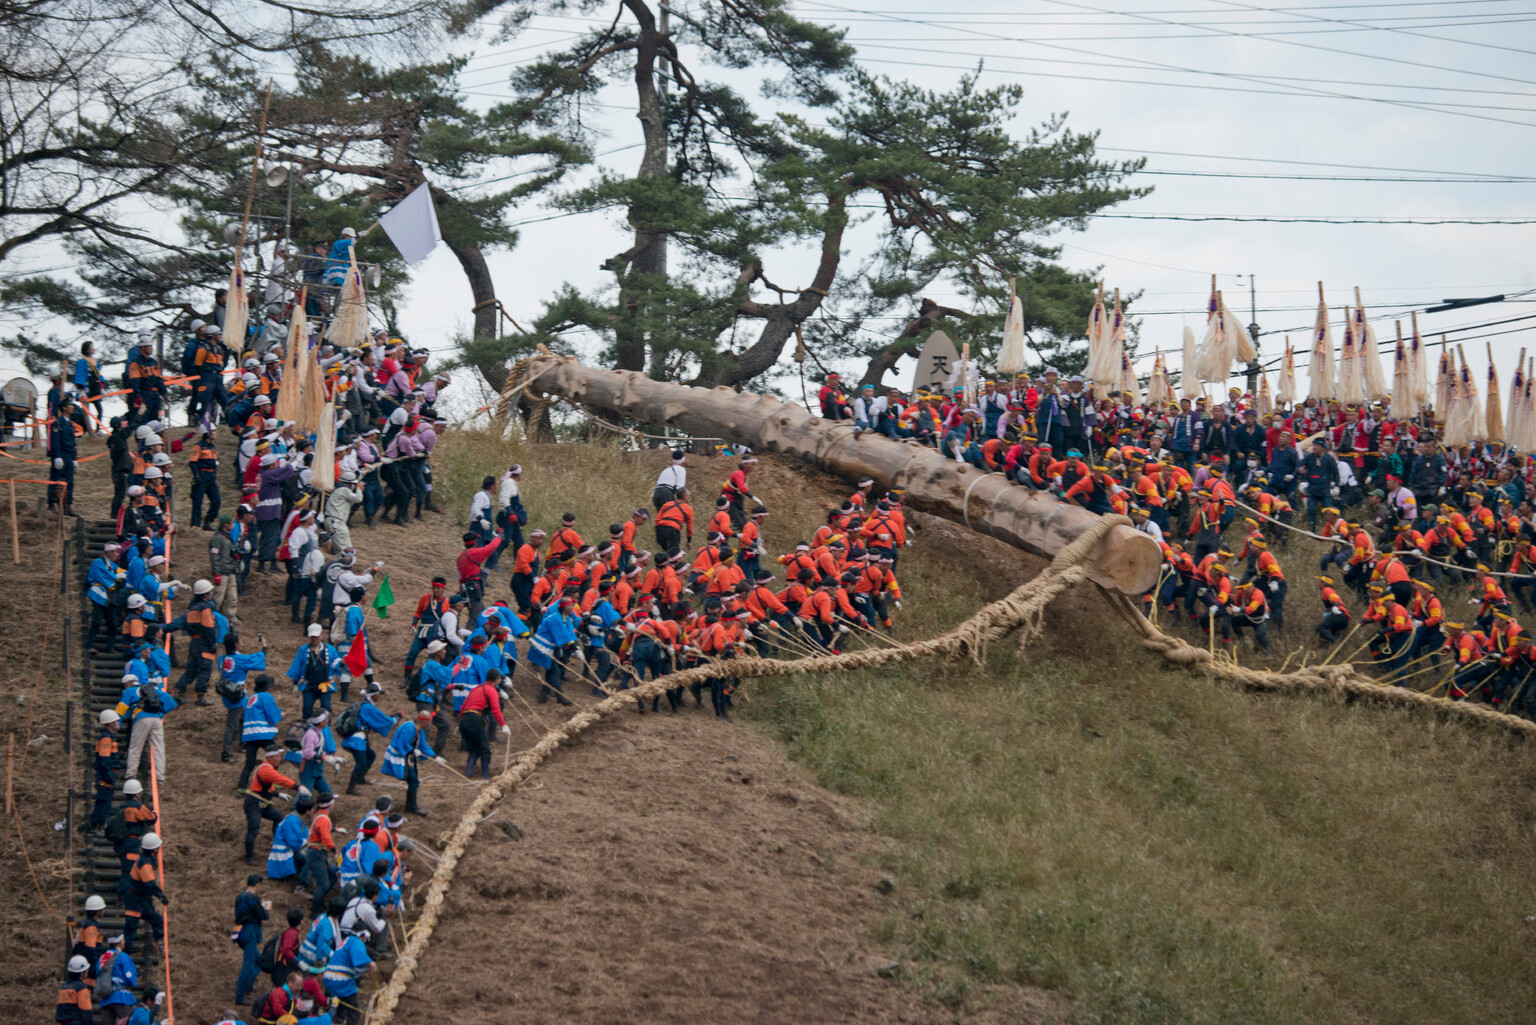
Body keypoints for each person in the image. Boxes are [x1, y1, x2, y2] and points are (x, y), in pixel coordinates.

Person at [382, 710, 445, 816]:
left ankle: (410, 806)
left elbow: (423, 746)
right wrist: (412, 750)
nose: (430, 723)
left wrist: (435, 757)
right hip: (399, 756)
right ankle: (412, 807)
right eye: (429, 721)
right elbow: (401, 744)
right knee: (413, 781)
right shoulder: (409, 728)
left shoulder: (420, 731)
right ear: (424, 721)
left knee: (413, 780)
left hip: (407, 756)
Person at [340, 682, 398, 796]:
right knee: (361, 763)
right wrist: (397, 717)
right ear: (374, 695)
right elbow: (385, 721)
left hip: (357, 738)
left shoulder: (363, 705)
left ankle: (360, 778)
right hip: (357, 740)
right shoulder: (368, 707)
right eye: (378, 694)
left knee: (370, 755)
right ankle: (350, 787)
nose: (379, 697)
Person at [244, 748, 295, 867]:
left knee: (279, 818)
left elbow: (267, 785)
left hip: (262, 802)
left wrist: (278, 794)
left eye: (280, 756)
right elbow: (281, 780)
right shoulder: (266, 769)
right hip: (253, 802)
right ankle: (249, 857)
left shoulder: (267, 767)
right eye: (277, 757)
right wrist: (298, 787)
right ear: (270, 757)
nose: (279, 759)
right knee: (254, 828)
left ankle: (276, 843)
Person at [122, 831, 167, 957]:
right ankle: (127, 955)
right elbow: (150, 884)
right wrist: (161, 896)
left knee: (157, 920)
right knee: (131, 928)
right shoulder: (146, 863)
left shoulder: (147, 860)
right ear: (155, 849)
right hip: (134, 899)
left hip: (140, 898)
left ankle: (160, 949)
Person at [237, 673, 283, 789]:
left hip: (249, 734)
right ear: (267, 686)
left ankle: (241, 787)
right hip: (263, 733)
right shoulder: (266, 697)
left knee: (250, 763)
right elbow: (272, 714)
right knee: (276, 756)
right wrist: (280, 715)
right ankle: (274, 781)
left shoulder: (251, 698)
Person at [233, 874, 271, 1006]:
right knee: (248, 965)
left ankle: (247, 984)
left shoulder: (240, 897)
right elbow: (263, 915)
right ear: (257, 885)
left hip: (240, 930)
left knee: (258, 960)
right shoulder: (252, 898)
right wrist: (266, 909)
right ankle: (240, 996)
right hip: (249, 932)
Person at [322, 931, 374, 1025]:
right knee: (354, 1013)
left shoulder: (346, 941)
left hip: (329, 977)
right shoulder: (356, 941)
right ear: (362, 936)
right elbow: (358, 954)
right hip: (341, 980)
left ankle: (338, 1018)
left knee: (339, 1002)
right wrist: (370, 963)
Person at [90, 709, 121, 831]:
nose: (118, 722)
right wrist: (109, 776)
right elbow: (104, 760)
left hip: (107, 774)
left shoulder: (109, 737)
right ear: (110, 723)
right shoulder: (106, 739)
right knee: (103, 800)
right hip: (105, 776)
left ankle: (100, 823)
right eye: (116, 721)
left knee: (105, 800)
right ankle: (97, 824)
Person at [48, 394, 79, 516]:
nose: (72, 407)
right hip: (60, 453)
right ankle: (51, 503)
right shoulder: (58, 423)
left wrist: (75, 458)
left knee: (70, 481)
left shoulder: (70, 424)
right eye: (70, 405)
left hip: (69, 455)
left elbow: (73, 443)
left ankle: (68, 506)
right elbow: (55, 440)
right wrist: (56, 456)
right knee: (55, 479)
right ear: (64, 408)